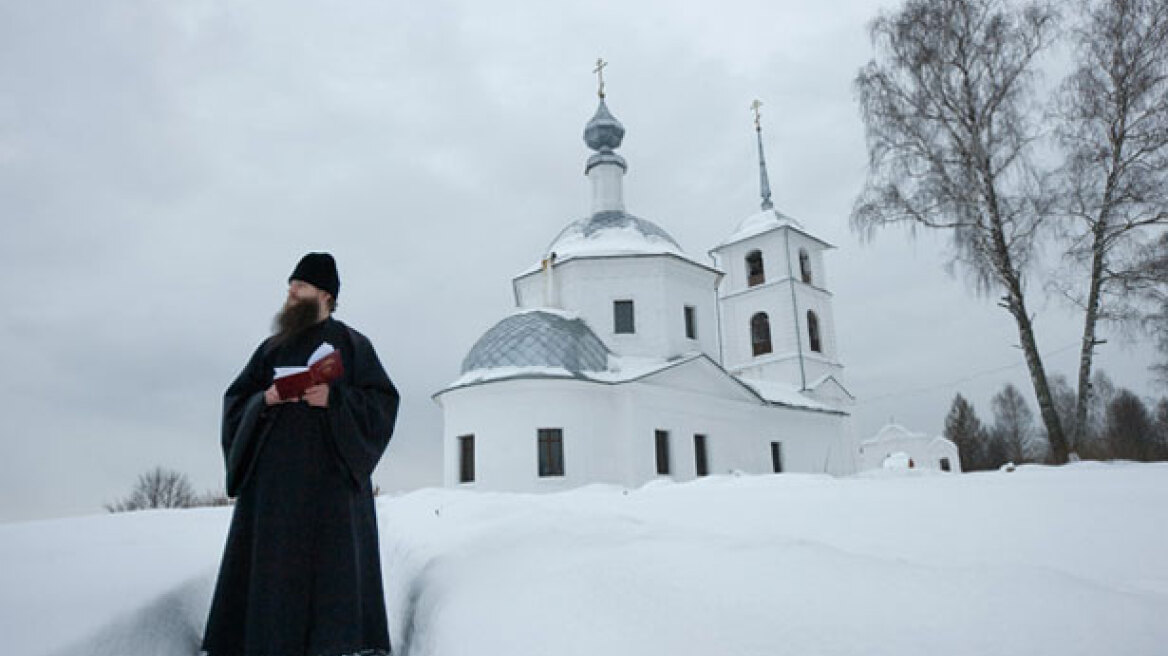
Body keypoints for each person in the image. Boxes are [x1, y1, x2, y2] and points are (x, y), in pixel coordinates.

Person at [202, 253, 400, 656]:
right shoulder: (270, 349)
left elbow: (382, 404)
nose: (291, 292)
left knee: (333, 576)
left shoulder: (353, 346)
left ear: (325, 295)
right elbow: (237, 402)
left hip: (332, 495)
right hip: (272, 494)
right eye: (290, 285)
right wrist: (267, 398)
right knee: (272, 578)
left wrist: (334, 398)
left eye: (301, 286)